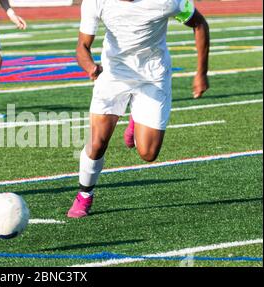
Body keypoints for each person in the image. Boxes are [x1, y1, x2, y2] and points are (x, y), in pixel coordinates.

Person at [67, 0, 210, 218]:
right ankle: (84, 194)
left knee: (148, 153)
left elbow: (199, 24)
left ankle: (136, 115)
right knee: (97, 143)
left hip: (153, 77)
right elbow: (82, 47)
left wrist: (201, 72)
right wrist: (91, 67)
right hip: (113, 75)